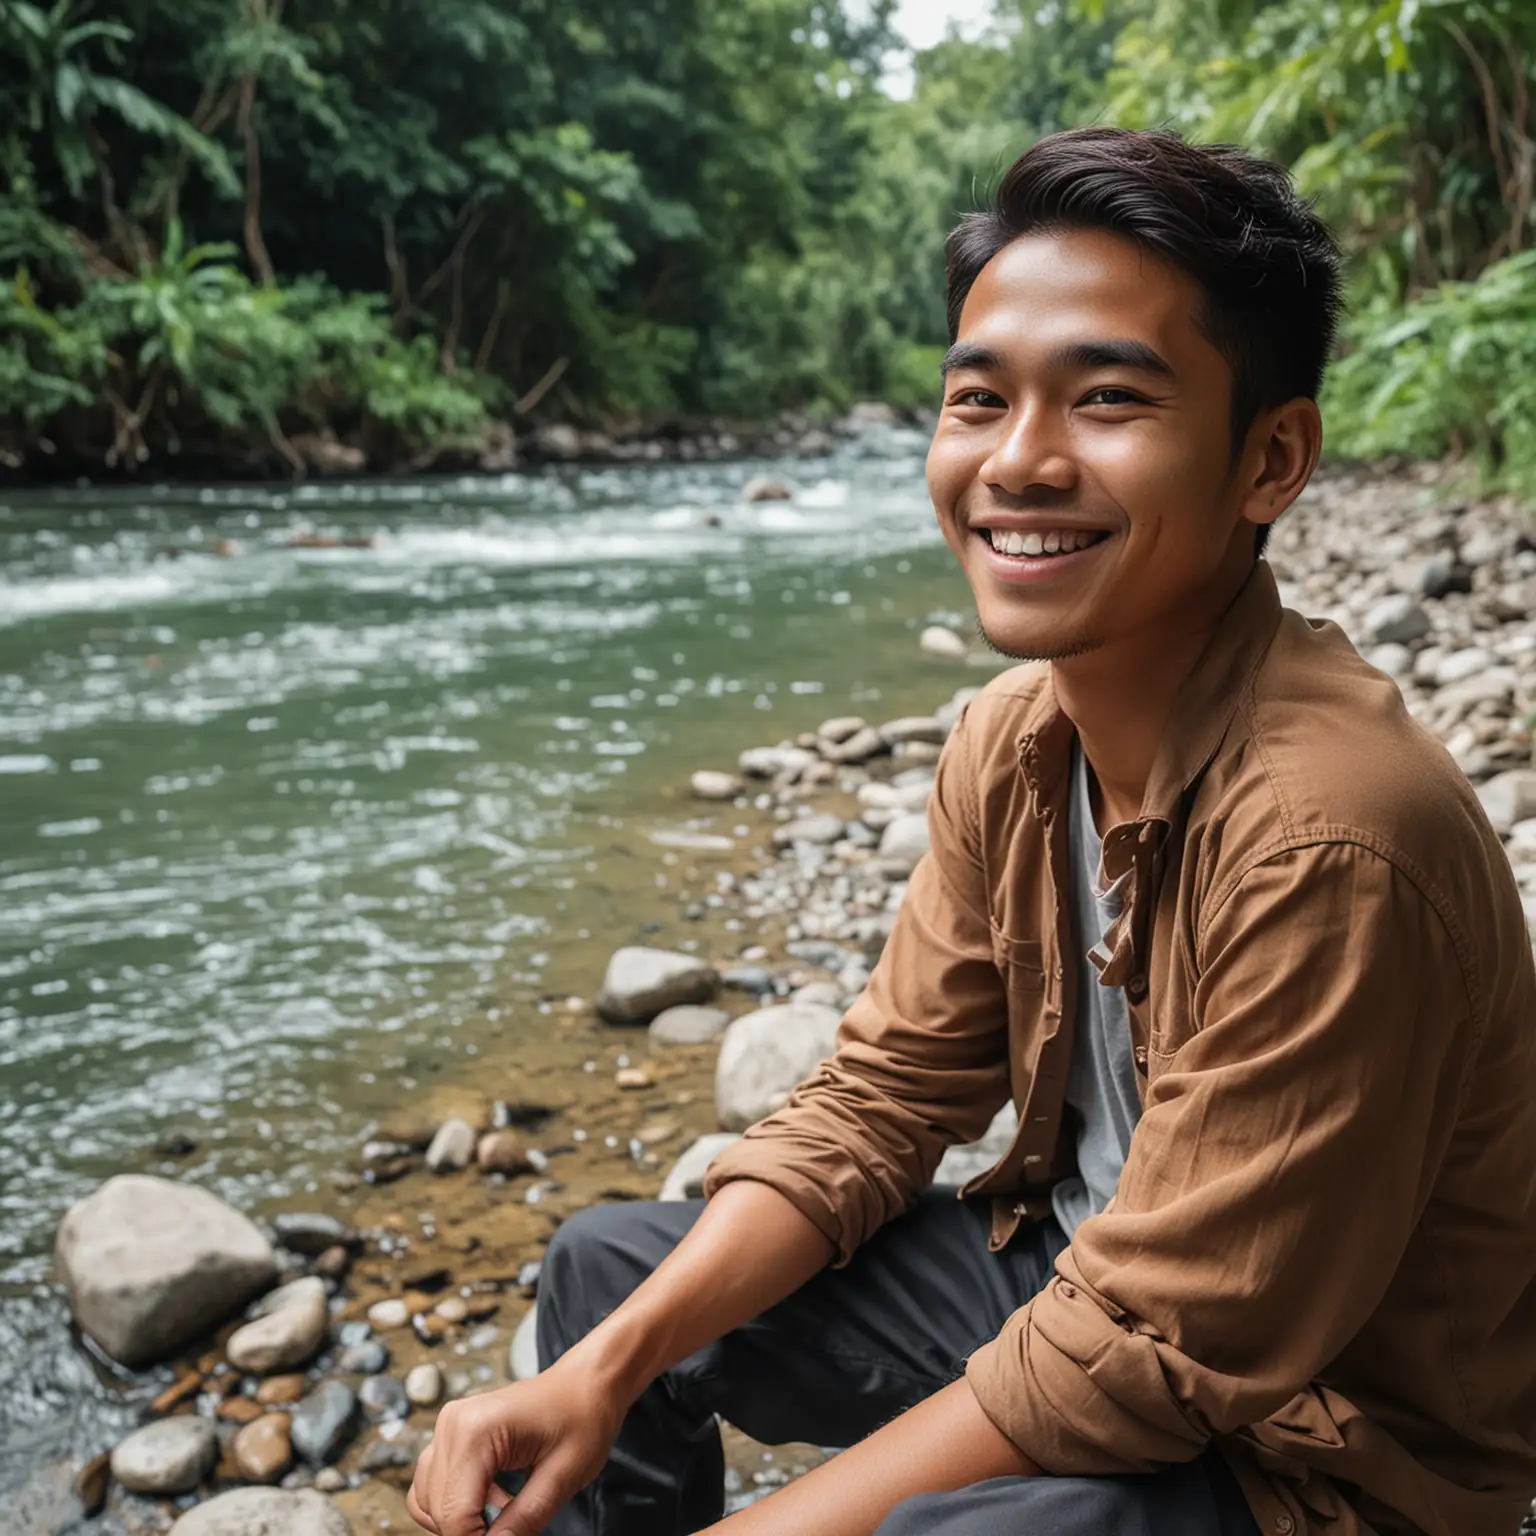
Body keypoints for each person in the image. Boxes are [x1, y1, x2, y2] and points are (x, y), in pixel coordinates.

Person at [406, 127, 1536, 1536]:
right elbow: (881, 1102)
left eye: (1108, 401)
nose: (1019, 461)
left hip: (1316, 1447)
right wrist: (605, 1370)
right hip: (1081, 1290)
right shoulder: (1016, 741)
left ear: (1271, 459)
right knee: (607, 1288)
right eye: (978, 399)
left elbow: (1152, 1355)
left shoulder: (1332, 841)